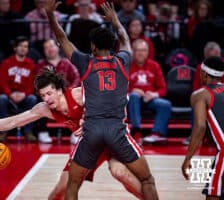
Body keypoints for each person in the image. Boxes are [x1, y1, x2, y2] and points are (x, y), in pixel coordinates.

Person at [45, 1, 158, 200]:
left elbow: (62, 38)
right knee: (147, 179)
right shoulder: (124, 60)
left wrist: (50, 14)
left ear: (93, 46)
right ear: (112, 45)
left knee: (72, 185)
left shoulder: (85, 62)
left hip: (92, 130)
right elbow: (124, 38)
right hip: (117, 129)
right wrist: (115, 21)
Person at [0, 68, 143, 199]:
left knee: (121, 173)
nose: (46, 99)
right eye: (42, 95)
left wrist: (90, 122)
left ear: (60, 90)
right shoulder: (45, 109)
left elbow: (113, 102)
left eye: (49, 93)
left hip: (111, 137)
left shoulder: (79, 94)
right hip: (89, 146)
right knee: (57, 192)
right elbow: (13, 121)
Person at [181, 56, 224, 200]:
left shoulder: (201, 95)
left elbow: (200, 127)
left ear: (204, 74)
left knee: (213, 195)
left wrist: (188, 158)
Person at [128, 39, 171, 145]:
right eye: (138, 50)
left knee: (165, 104)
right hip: (132, 101)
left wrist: (153, 94)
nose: (141, 53)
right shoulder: (127, 66)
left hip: (149, 99)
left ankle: (157, 134)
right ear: (133, 52)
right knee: (134, 96)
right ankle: (137, 132)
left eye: (143, 50)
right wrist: (131, 90)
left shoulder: (154, 66)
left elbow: (163, 89)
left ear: (148, 52)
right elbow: (119, 88)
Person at [0, 36, 39, 143]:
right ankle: (3, 131)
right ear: (15, 48)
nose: (23, 48)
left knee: (33, 99)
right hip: (9, 96)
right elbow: (2, 82)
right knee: (1, 98)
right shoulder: (6, 63)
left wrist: (24, 94)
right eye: (20, 46)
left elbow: (32, 85)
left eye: (25, 46)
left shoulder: (31, 64)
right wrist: (10, 94)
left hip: (24, 96)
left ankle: (28, 132)